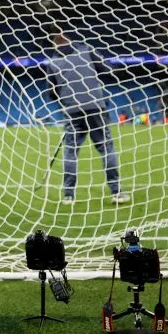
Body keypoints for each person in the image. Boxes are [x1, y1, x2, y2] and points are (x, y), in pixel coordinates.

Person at [44, 28, 130, 205]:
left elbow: (51, 93)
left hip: (72, 110)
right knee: (106, 148)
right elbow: (107, 70)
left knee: (70, 151)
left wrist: (65, 104)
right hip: (95, 106)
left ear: (55, 45)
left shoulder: (52, 62)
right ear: (70, 40)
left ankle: (69, 195)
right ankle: (117, 192)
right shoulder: (86, 50)